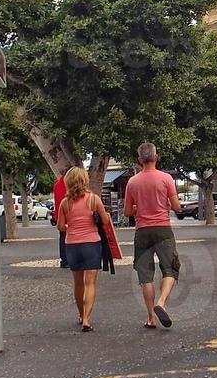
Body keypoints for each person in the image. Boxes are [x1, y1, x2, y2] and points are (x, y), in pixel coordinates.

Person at [123, 142, 183, 330]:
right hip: (163, 229)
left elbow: (126, 211)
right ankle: (162, 302)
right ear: (156, 157)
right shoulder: (166, 179)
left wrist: (139, 207)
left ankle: (150, 317)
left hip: (142, 231)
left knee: (145, 276)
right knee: (170, 269)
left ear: (139, 160)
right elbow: (176, 207)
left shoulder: (132, 182)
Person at [56, 167, 114, 331]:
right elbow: (104, 220)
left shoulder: (65, 203)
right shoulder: (93, 199)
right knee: (90, 284)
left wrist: (72, 228)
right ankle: (87, 319)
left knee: (78, 284)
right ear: (85, 181)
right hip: (91, 244)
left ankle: (81, 314)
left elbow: (60, 226)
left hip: (72, 245)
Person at [54, 171, 68, 268]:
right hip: (68, 215)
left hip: (59, 215)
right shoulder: (68, 184)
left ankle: (64, 260)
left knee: (63, 238)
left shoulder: (58, 184)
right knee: (66, 238)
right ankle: (67, 260)